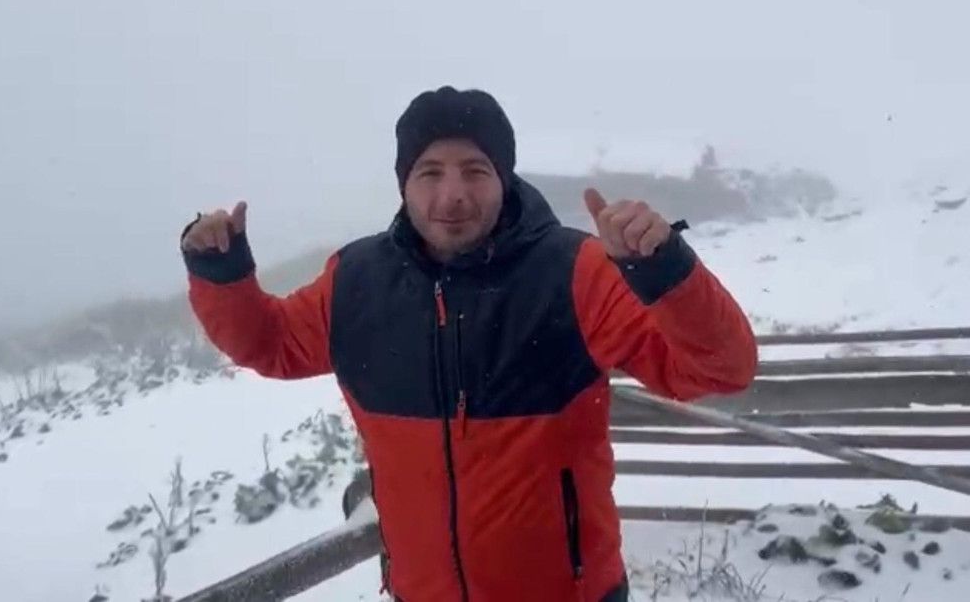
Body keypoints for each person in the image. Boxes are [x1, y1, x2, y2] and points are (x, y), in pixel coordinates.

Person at [180, 86, 758, 602]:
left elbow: (719, 369)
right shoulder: (355, 281)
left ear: (503, 178)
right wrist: (220, 271)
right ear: (404, 183)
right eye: (430, 172)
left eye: (475, 170)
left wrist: (663, 271)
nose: (452, 194)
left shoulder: (574, 272)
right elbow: (271, 344)